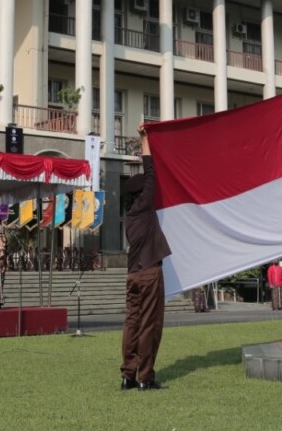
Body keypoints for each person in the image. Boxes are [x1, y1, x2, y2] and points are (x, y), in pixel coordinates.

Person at [120, 123, 171, 392]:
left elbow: (148, 176)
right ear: (143, 194)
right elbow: (152, 172)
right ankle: (145, 378)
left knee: (132, 322)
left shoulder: (130, 217)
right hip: (150, 272)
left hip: (132, 274)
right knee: (150, 324)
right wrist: (145, 139)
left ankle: (128, 375)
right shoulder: (146, 206)